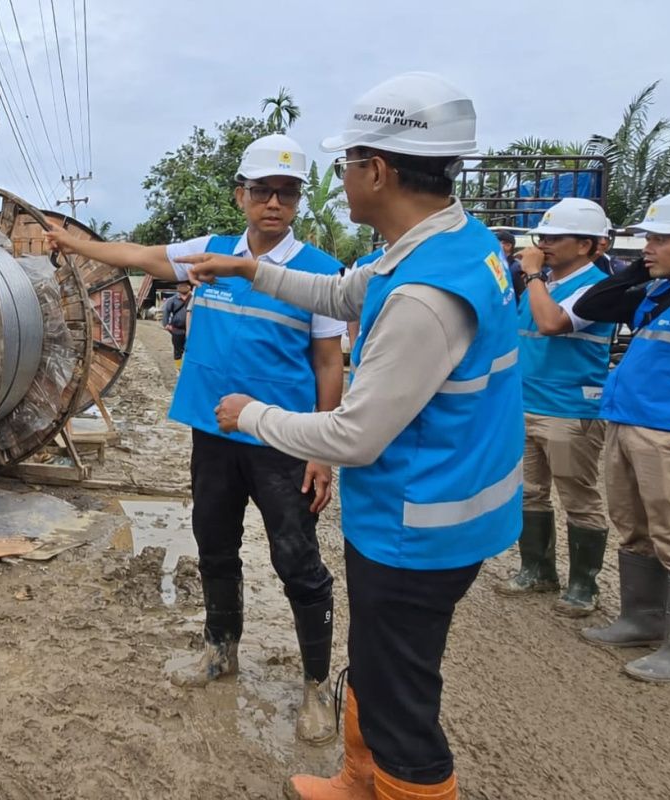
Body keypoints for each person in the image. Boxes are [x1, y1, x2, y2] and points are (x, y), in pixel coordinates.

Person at [181, 72, 521, 800]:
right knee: (373, 666)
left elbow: (356, 434)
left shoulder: (427, 297)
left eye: (345, 163)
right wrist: (252, 270)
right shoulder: (444, 244)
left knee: (403, 707)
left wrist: (252, 417)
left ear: (378, 170)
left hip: (417, 525)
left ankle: (394, 780)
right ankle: (358, 779)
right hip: (422, 507)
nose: (339, 178)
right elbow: (342, 293)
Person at [46, 133, 348, 744]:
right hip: (214, 434)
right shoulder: (208, 253)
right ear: (241, 195)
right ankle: (221, 648)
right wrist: (76, 243)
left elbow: (328, 365)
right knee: (214, 544)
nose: (274, 202)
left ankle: (316, 686)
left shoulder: (319, 273)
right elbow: (137, 256)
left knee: (297, 561)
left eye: (286, 193)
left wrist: (322, 447)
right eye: (262, 190)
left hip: (282, 442)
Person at [575, 188, 670, 683]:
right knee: (634, 526)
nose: (647, 246)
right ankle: (642, 620)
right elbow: (597, 303)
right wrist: (648, 267)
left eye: (660, 239)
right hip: (630, 423)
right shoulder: (662, 288)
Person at [495, 198, 615, 617]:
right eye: (542, 236)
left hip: (568, 407)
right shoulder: (540, 285)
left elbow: (551, 324)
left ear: (586, 245)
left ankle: (584, 584)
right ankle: (538, 568)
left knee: (577, 495)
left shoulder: (596, 287)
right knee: (530, 491)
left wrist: (530, 274)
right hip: (525, 402)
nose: (543, 244)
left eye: (554, 237)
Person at [160, 281, 192, 368]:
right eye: (180, 285)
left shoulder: (194, 299)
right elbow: (166, 311)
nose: (182, 287)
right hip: (177, 329)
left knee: (191, 350)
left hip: (192, 329)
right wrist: (166, 324)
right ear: (177, 287)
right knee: (178, 350)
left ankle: (188, 368)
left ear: (189, 286)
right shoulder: (173, 300)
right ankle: (179, 368)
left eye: (185, 285)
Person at [494, 229, 525, 297]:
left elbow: (522, 294)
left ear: (508, 246)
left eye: (498, 242)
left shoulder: (516, 268)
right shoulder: (497, 265)